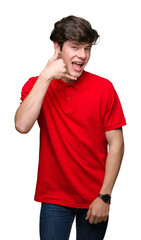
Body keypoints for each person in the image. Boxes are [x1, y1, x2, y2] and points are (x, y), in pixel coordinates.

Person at [14, 15, 126, 240]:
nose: (82, 56)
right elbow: (22, 125)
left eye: (87, 48)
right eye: (75, 47)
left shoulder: (104, 88)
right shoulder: (37, 86)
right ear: (57, 47)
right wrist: (46, 76)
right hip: (55, 198)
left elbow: (116, 144)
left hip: (95, 199)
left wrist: (104, 197)